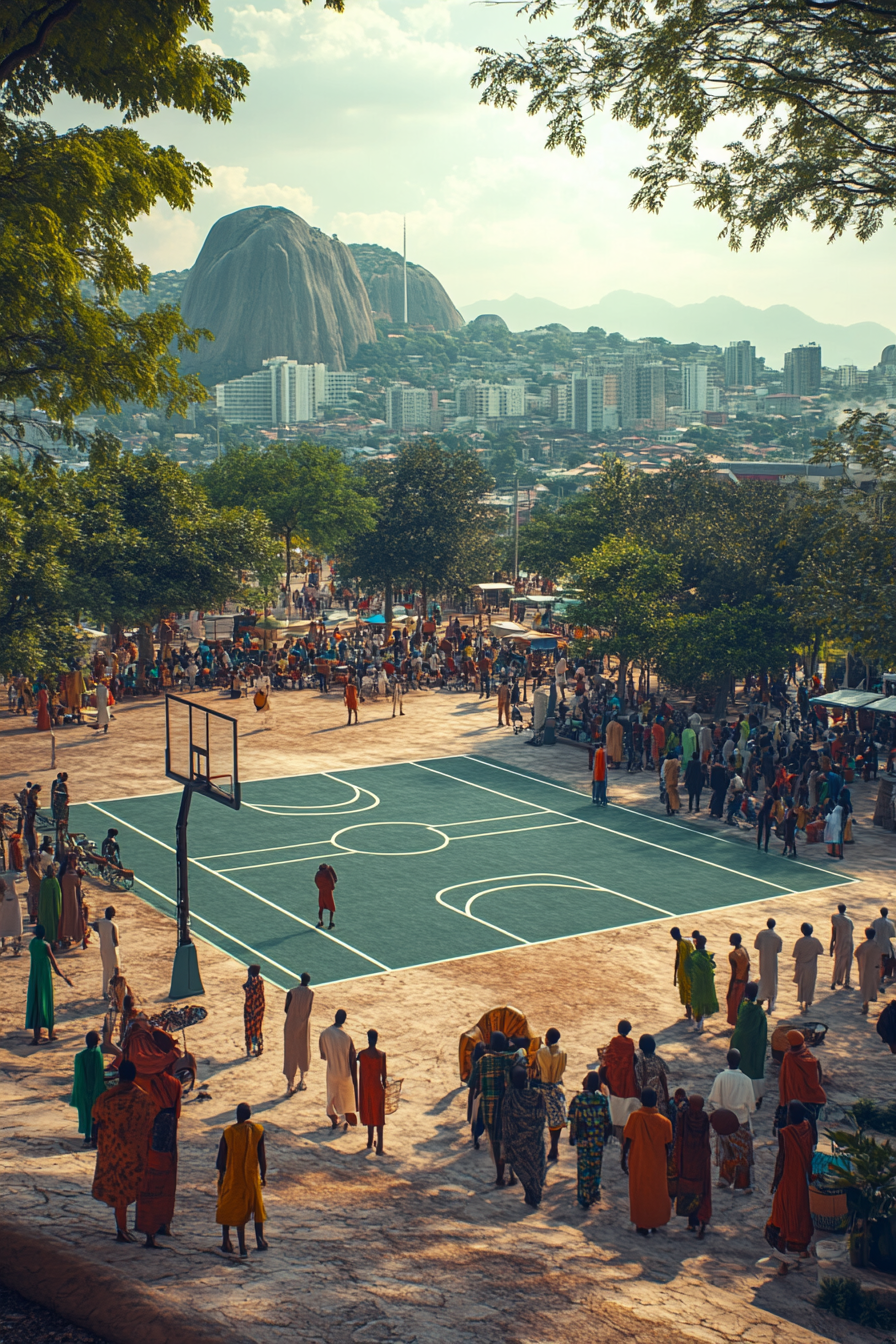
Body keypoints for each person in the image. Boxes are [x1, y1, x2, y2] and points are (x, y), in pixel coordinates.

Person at [91, 1058, 156, 1242]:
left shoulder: (106, 1098)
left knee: (118, 1193)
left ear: (119, 1076)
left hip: (112, 1153)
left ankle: (122, 1228)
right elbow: (151, 1123)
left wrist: (99, 1143)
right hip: (135, 1154)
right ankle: (138, 1230)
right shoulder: (143, 1099)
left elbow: (95, 1121)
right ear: (134, 1076)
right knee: (134, 1190)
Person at [765, 1100, 814, 1275]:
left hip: (788, 1179)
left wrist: (775, 1181)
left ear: (789, 1116)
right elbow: (810, 1150)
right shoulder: (808, 1127)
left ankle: (784, 1263)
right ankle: (803, 1250)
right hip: (802, 1179)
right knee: (801, 1213)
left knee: (781, 1219)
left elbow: (781, 1159)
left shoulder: (785, 1133)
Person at [216, 1103, 268, 1258]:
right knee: (256, 1207)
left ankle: (227, 1241)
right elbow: (262, 1156)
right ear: (249, 1115)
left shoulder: (229, 1132)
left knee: (227, 1206)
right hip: (251, 1177)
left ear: (236, 1115)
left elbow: (221, 1158)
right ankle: (260, 1239)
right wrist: (263, 1175)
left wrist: (221, 1176)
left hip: (232, 1177)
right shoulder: (257, 1131)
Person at [622, 1088, 674, 1236]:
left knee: (640, 1192)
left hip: (639, 1161)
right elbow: (668, 1146)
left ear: (641, 1101)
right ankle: (655, 1221)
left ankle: (642, 1224)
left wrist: (623, 1158)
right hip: (657, 1163)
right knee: (656, 1192)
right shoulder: (665, 1122)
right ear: (656, 1101)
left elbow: (628, 1140)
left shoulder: (634, 1117)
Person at [468, 1030, 517, 1185]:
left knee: (495, 1141)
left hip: (489, 1105)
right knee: (508, 1140)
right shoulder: (509, 1060)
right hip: (506, 1106)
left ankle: (499, 1176)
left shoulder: (483, 1061)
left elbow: (474, 1083)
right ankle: (512, 1174)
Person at [708, 1049, 756, 1192]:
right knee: (744, 1153)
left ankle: (724, 1179)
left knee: (726, 1151)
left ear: (727, 1061)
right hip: (741, 1121)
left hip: (725, 1121)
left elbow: (713, 1100)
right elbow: (751, 1106)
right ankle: (743, 1183)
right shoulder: (746, 1080)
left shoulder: (721, 1077)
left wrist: (723, 1110)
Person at [502, 1064, 548, 1208]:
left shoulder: (510, 1097)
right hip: (535, 1142)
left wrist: (508, 1142)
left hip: (517, 1144)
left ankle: (530, 1193)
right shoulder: (536, 1095)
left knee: (523, 1168)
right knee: (536, 1168)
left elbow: (506, 1120)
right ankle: (534, 1194)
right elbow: (542, 1117)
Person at [669, 1094, 712, 1238]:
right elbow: (706, 1137)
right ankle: (697, 1220)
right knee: (699, 1189)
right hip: (700, 1159)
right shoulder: (705, 1118)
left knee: (687, 1186)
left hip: (686, 1159)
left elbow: (679, 1135)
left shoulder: (684, 1117)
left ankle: (691, 1222)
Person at [567, 1072, 612, 1209]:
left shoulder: (578, 1099)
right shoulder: (603, 1100)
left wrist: (572, 1136)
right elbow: (608, 1122)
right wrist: (605, 1138)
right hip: (597, 1141)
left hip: (583, 1140)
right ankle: (593, 1193)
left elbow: (573, 1120)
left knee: (583, 1167)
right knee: (595, 1167)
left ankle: (584, 1196)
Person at [26, 923, 72, 1043]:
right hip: (44, 978)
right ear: (44, 934)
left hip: (34, 977)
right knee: (46, 1001)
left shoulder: (32, 944)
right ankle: (50, 1034)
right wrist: (65, 977)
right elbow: (54, 964)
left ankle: (36, 1035)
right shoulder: (46, 945)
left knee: (36, 1001)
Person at [319, 1009, 358, 1131]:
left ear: (335, 1017)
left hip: (332, 1072)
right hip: (345, 1073)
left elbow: (324, 1055)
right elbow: (352, 1059)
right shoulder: (347, 1038)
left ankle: (333, 1117)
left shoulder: (325, 1034)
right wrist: (355, 1080)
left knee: (332, 1096)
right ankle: (346, 1115)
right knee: (346, 1099)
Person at [729, 983, 768, 1105]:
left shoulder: (743, 1006)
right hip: (752, 1044)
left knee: (739, 1066)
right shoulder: (758, 1012)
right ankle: (754, 1096)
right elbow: (762, 1030)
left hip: (739, 1041)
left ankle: (736, 1094)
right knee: (752, 1066)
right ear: (756, 994)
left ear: (745, 993)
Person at [778, 1030, 826, 1127]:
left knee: (793, 1127)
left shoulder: (789, 1057)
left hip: (794, 1098)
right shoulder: (807, 1054)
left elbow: (784, 1079)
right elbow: (816, 1080)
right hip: (811, 1099)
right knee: (809, 1126)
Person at [535, 1027, 567, 1162]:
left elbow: (537, 1067)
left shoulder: (541, 1052)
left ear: (546, 1039)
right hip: (558, 1087)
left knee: (541, 1119)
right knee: (556, 1120)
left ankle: (544, 1148)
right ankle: (554, 1147)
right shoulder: (563, 1053)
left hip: (543, 1089)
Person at [71, 1031, 106, 1144]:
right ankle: (95, 1137)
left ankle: (87, 1136)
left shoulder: (81, 1056)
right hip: (94, 1089)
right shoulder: (97, 1053)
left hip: (83, 1089)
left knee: (85, 1113)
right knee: (95, 1114)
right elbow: (98, 1073)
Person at [358, 1028, 388, 1154]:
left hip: (366, 1089)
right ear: (376, 1040)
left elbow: (352, 1061)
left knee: (369, 1114)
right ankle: (379, 1148)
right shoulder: (381, 1055)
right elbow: (384, 1077)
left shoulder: (362, 1055)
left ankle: (369, 1142)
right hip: (377, 1090)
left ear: (368, 1039)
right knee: (379, 1118)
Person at [283, 972, 313, 1096]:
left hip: (291, 1025)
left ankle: (290, 1084)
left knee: (290, 1052)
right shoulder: (311, 994)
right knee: (303, 1050)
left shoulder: (291, 992)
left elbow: (286, 1009)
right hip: (304, 1026)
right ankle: (302, 1080)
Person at [791, 922, 825, 1013]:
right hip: (811, 967)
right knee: (810, 984)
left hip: (801, 966)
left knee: (801, 984)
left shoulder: (799, 941)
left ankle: (801, 1001)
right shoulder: (815, 941)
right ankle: (807, 1001)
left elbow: (794, 955)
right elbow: (821, 951)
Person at [688, 936, 719, 1032]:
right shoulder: (707, 955)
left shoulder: (694, 957)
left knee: (697, 1003)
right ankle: (700, 1024)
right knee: (702, 1002)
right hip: (707, 983)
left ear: (696, 943)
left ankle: (698, 1025)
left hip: (697, 983)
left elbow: (690, 970)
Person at [754, 917, 783, 1013]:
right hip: (772, 962)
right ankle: (770, 1005)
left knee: (763, 980)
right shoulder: (777, 938)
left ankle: (759, 1001)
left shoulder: (761, 934)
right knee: (772, 982)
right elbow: (778, 950)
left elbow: (756, 946)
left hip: (763, 961)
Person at [603, 1021, 638, 1098]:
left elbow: (609, 1055)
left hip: (614, 1072)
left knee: (602, 1071)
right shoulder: (630, 1042)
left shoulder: (614, 1040)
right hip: (627, 1073)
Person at [94, 905, 120, 998]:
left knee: (106, 970)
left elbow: (94, 927)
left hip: (103, 948)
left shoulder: (99, 923)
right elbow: (116, 942)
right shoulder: (113, 925)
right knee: (114, 970)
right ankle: (112, 991)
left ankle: (104, 991)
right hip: (111, 950)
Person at [856, 927, 883, 1015]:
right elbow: (880, 957)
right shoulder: (877, 945)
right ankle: (870, 998)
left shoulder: (864, 945)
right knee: (872, 984)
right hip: (874, 968)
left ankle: (865, 1003)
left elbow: (856, 953)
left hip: (865, 968)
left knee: (865, 985)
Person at [726, 932, 750, 1026]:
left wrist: (730, 989)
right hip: (744, 980)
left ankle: (737, 1024)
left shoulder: (732, 955)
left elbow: (734, 973)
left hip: (737, 982)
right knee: (741, 1003)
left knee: (734, 1004)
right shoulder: (744, 949)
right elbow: (748, 966)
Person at [671, 927, 694, 1021]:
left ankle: (689, 1011)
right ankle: (691, 1010)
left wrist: (675, 973)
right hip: (690, 970)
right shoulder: (687, 942)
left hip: (683, 971)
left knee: (685, 991)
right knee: (689, 990)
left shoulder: (681, 944)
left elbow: (678, 959)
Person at [829, 903, 854, 990]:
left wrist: (831, 947)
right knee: (847, 963)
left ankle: (834, 981)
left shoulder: (835, 918)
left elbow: (834, 934)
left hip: (839, 944)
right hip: (848, 943)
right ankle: (846, 981)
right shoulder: (849, 921)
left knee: (837, 962)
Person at [38, 862, 62, 947]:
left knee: (46, 924)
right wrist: (59, 910)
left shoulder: (44, 881)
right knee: (53, 925)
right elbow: (58, 897)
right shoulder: (54, 881)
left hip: (44, 909)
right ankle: (53, 940)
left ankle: (47, 939)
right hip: (53, 909)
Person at [243, 965, 265, 1057]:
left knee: (249, 1028)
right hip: (259, 1007)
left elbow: (246, 988)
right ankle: (259, 1047)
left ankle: (250, 1047)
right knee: (258, 1027)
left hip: (251, 1008)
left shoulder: (252, 981)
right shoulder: (260, 979)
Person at [871, 906, 896, 990]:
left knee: (877, 962)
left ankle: (876, 977)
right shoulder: (890, 924)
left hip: (877, 945)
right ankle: (883, 976)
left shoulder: (875, 922)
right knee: (886, 961)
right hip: (886, 946)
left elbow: (871, 932)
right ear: (887, 913)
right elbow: (893, 935)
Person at [0, 875, 23, 956]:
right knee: (16, 926)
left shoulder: (2, 896)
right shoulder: (14, 877)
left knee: (3, 924)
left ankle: (4, 945)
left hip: (4, 907)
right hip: (14, 907)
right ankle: (16, 947)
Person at [315, 863, 338, 929]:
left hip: (321, 891)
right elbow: (332, 880)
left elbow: (316, 881)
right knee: (331, 908)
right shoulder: (327, 872)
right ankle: (330, 922)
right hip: (328, 892)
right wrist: (332, 887)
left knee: (321, 907)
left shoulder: (318, 874)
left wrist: (320, 888)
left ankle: (321, 921)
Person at [592, 737, 608, 807]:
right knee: (602, 786)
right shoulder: (604, 752)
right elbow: (606, 763)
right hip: (602, 772)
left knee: (596, 786)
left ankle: (595, 798)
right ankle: (603, 800)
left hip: (596, 772)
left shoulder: (597, 751)